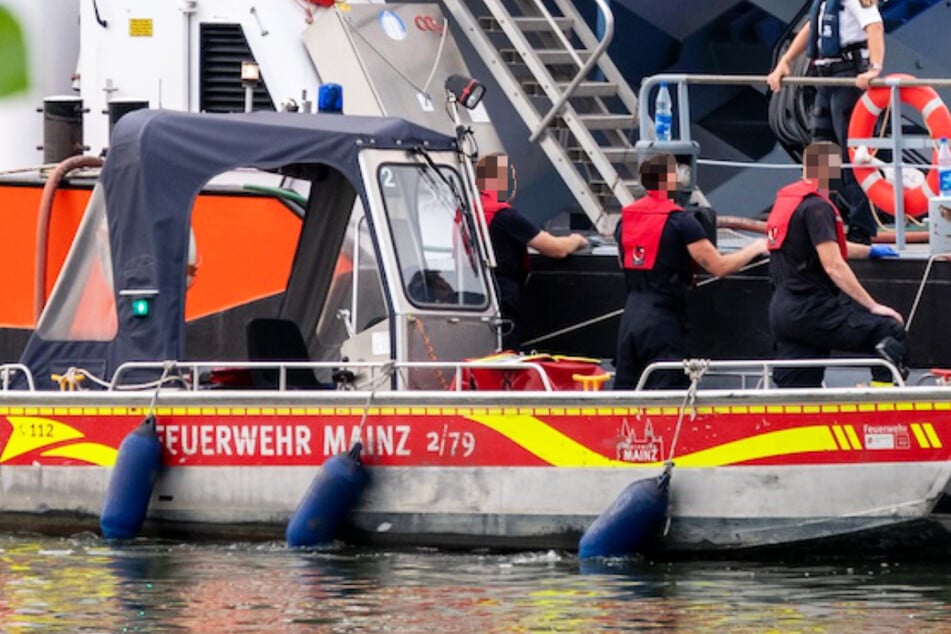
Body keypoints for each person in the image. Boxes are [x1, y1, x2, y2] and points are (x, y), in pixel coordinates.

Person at [613, 153, 768, 390]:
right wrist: (755, 247)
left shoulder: (625, 220)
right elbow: (719, 266)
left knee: (625, 396)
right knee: (668, 396)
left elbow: (623, 263)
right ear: (670, 180)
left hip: (630, 319)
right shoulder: (681, 222)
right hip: (662, 322)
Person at [766, 141, 908, 388]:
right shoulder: (818, 207)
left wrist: (870, 251)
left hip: (783, 312)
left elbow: (824, 246)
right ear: (831, 168)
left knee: (797, 389)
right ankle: (883, 404)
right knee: (889, 330)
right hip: (812, 309)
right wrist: (872, 305)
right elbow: (833, 265)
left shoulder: (787, 202)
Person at [766, 0, 884, 245]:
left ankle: (861, 228)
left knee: (850, 153)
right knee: (819, 151)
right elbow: (812, 27)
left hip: (848, 77)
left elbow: (874, 26)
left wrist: (874, 69)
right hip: (824, 79)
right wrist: (785, 61)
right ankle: (820, 220)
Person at [476, 153, 589, 351]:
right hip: (501, 296)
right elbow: (557, 249)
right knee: (505, 354)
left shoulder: (469, 210)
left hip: (475, 294)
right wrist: (577, 240)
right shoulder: (505, 216)